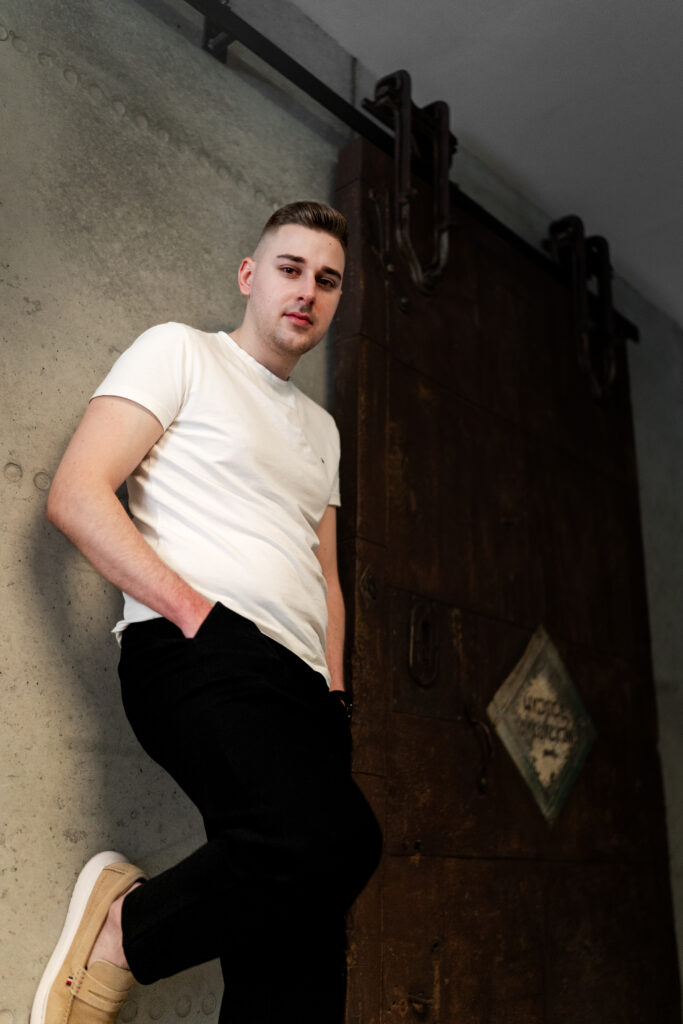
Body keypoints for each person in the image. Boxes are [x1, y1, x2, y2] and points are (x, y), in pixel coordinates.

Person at [31, 201, 382, 1024]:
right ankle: (124, 936)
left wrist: (336, 694)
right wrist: (197, 614)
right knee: (336, 843)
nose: (307, 291)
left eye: (328, 280)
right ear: (249, 276)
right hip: (202, 652)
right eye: (290, 269)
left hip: (307, 693)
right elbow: (77, 494)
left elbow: (324, 577)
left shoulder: (322, 430)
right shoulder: (180, 352)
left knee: (298, 961)